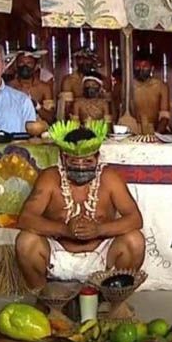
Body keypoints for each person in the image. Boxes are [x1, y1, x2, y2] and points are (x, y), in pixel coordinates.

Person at [15, 121, 145, 289]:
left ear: (98, 157)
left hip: (101, 255)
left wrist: (99, 230)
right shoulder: (50, 178)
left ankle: (115, 301)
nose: (82, 168)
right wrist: (64, 230)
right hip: (58, 253)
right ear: (63, 158)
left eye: (88, 162)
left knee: (135, 240)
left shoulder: (110, 178)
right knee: (26, 241)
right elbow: (25, 219)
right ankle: (44, 299)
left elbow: (135, 219)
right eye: (74, 163)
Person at [8, 47, 55, 124]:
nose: (25, 66)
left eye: (29, 63)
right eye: (21, 62)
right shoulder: (9, 87)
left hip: (38, 130)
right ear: (16, 65)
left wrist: (36, 105)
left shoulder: (44, 88)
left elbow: (50, 119)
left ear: (36, 66)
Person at [130, 51, 171, 134]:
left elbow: (164, 115)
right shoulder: (127, 86)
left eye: (145, 66)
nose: (141, 69)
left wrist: (157, 134)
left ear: (151, 68)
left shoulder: (161, 86)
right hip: (133, 131)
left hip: (157, 130)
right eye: (137, 66)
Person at [59, 47, 101, 120]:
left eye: (88, 59)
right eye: (81, 59)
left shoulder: (100, 80)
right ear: (77, 61)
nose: (85, 62)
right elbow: (66, 108)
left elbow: (107, 104)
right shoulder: (69, 81)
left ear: (93, 61)